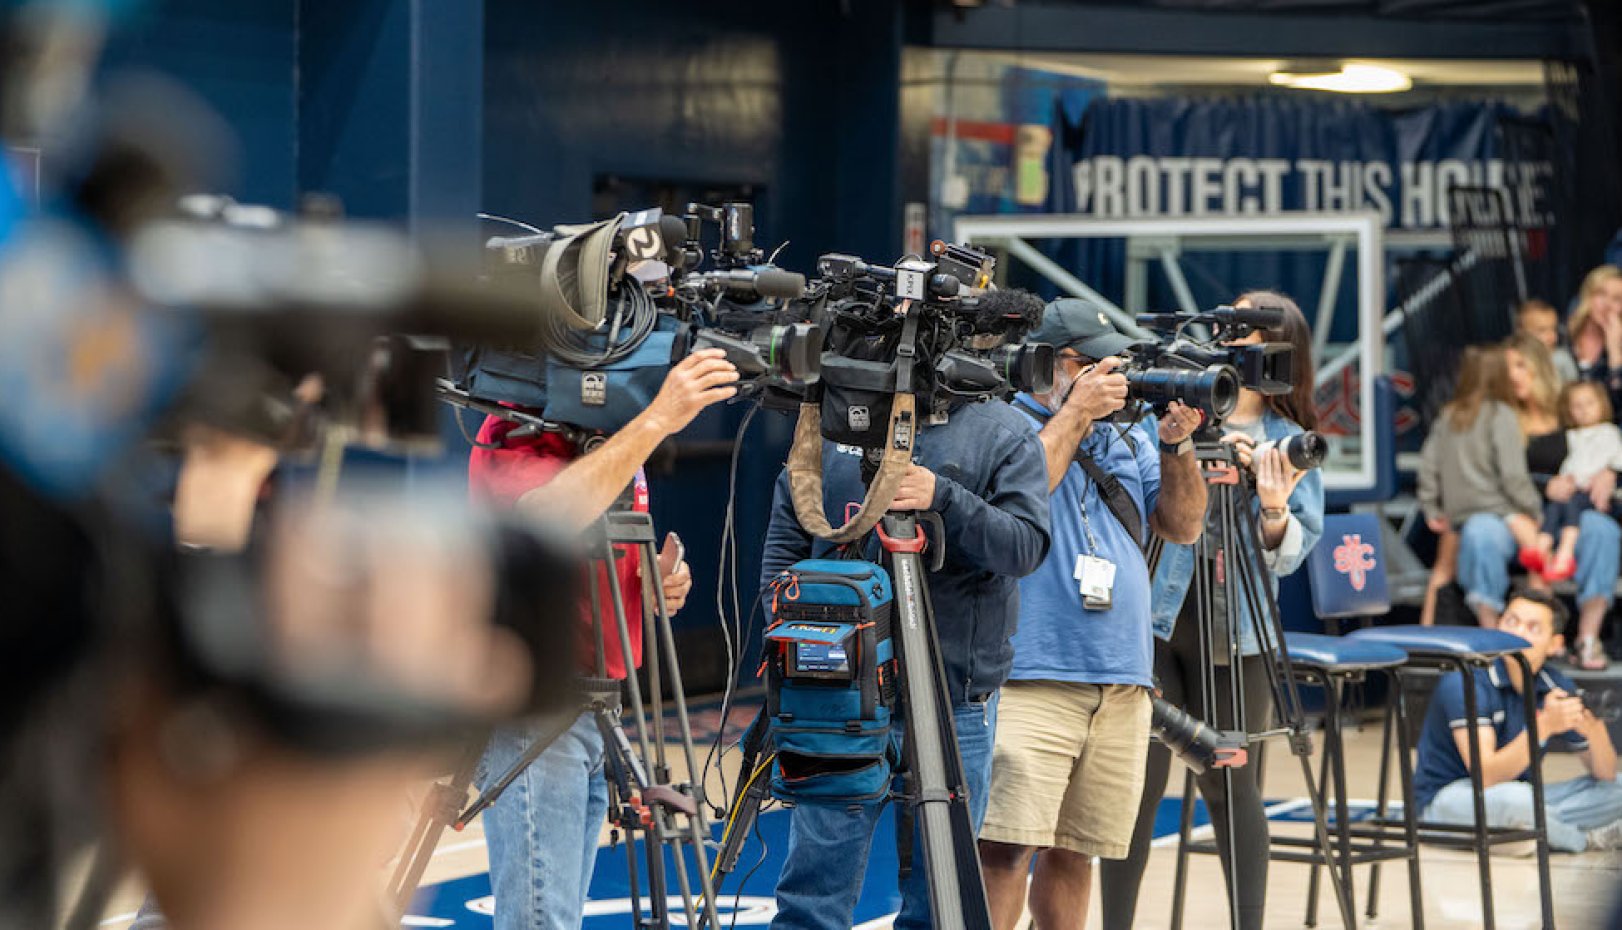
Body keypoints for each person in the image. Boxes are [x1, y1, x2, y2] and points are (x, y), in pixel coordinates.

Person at [760, 339, 1053, 930]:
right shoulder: (827, 422)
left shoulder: (1002, 430)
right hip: (836, 698)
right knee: (812, 897)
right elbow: (784, 553)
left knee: (940, 902)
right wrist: (795, 636)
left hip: (953, 696)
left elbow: (1024, 547)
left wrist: (943, 498)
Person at [467, 349, 738, 930]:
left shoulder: (602, 435)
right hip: (536, 711)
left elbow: (591, 555)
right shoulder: (512, 426)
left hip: (601, 705)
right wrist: (658, 418)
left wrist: (653, 586)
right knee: (541, 921)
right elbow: (544, 518)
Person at [977, 301, 1208, 930]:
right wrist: (1077, 412)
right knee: (1003, 850)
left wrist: (1178, 444)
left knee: (1076, 853)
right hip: (1031, 675)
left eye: (1120, 362)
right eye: (1094, 362)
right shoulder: (1004, 425)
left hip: (1118, 678)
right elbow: (1019, 499)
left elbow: (1184, 527)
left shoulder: (1128, 432)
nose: (1114, 375)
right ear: (1051, 365)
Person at [1100, 292, 1325, 930]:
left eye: (1247, 328)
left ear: (1277, 348)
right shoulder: (1168, 415)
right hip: (1153, 621)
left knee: (1229, 784)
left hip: (1238, 632)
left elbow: (1289, 557)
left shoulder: (1289, 441)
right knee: (1133, 787)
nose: (1231, 338)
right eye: (1227, 323)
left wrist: (1273, 505)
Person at [1414, 588, 1622, 853]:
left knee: (1617, 788)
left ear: (1555, 644)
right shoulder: (1466, 681)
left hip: (1519, 796)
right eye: (1511, 622)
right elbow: (1486, 775)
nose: (1518, 634)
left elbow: (1604, 774)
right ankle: (1582, 840)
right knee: (1518, 801)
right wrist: (1544, 725)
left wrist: (1594, 727)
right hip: (1448, 800)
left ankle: (1524, 832)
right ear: (1497, 626)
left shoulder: (1554, 683)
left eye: (1533, 628)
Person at [1463, 335, 1622, 664]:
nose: (1514, 376)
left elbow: (1602, 451)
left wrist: (1610, 474)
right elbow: (1484, 478)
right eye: (1507, 369)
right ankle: (1492, 639)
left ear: (1539, 368)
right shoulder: (1496, 416)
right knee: (1480, 531)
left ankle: (1587, 638)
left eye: (1521, 366)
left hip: (1566, 516)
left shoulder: (1570, 412)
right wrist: (1533, 500)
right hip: (1513, 514)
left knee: (1602, 530)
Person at [1418, 345, 1545, 626]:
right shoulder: (1501, 414)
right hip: (1499, 513)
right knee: (1538, 561)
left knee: (1441, 571)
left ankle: (1426, 633)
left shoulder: (1448, 415)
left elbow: (1428, 466)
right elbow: (1513, 476)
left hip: (1458, 518)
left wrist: (1431, 507)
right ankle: (1543, 628)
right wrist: (1534, 510)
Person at [1532, 381, 1622, 585]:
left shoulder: (1609, 432)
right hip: (1572, 487)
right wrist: (1564, 480)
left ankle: (1565, 552)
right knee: (1556, 505)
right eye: (1577, 406)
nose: (1584, 411)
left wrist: (1598, 477)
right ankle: (1541, 547)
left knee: (1571, 504)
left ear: (1602, 404)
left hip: (1591, 493)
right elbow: (1571, 463)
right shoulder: (1570, 436)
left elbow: (1614, 462)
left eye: (1590, 403)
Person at [1564, 265, 1622, 410]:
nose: (1607, 304)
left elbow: (1618, 404)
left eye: (1617, 299)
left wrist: (1614, 350)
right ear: (1588, 296)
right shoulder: (1561, 334)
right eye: (1601, 294)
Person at [1518, 298, 1578, 384]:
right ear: (1522, 333)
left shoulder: (1561, 360)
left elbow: (1573, 391)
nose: (1552, 337)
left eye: (1554, 329)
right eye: (1542, 330)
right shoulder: (1516, 362)